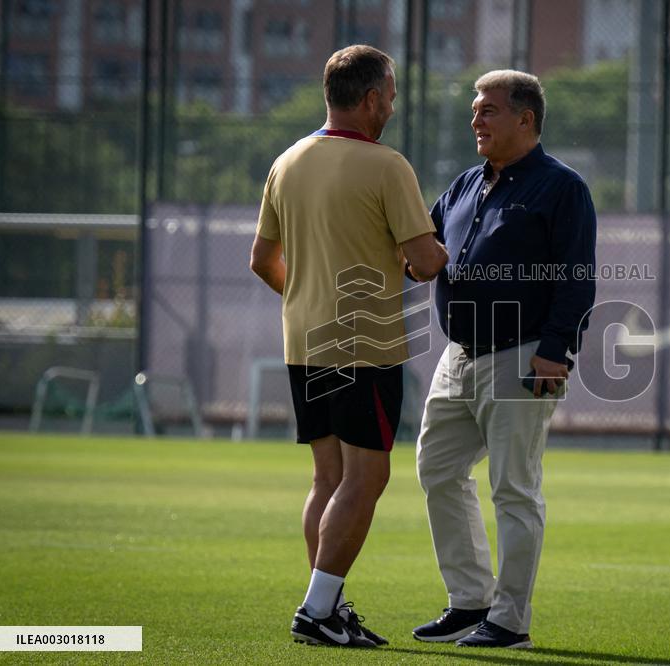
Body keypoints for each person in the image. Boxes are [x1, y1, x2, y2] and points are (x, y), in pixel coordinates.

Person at [250, 44, 447, 649]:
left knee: (327, 478)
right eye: (389, 93)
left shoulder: (287, 160)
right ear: (369, 99)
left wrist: (307, 299)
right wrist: (436, 254)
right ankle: (316, 611)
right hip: (364, 345)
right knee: (368, 477)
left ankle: (327, 607)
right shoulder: (387, 166)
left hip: (304, 340)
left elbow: (261, 261)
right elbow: (424, 260)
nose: (392, 103)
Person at [411, 70, 597, 649]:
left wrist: (554, 351)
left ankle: (510, 620)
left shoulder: (562, 187)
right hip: (459, 354)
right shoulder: (466, 182)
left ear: (526, 119)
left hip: (522, 355)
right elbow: (423, 250)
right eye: (474, 109)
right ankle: (470, 602)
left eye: (488, 109)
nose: (476, 119)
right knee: (437, 469)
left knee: (514, 489)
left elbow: (577, 277)